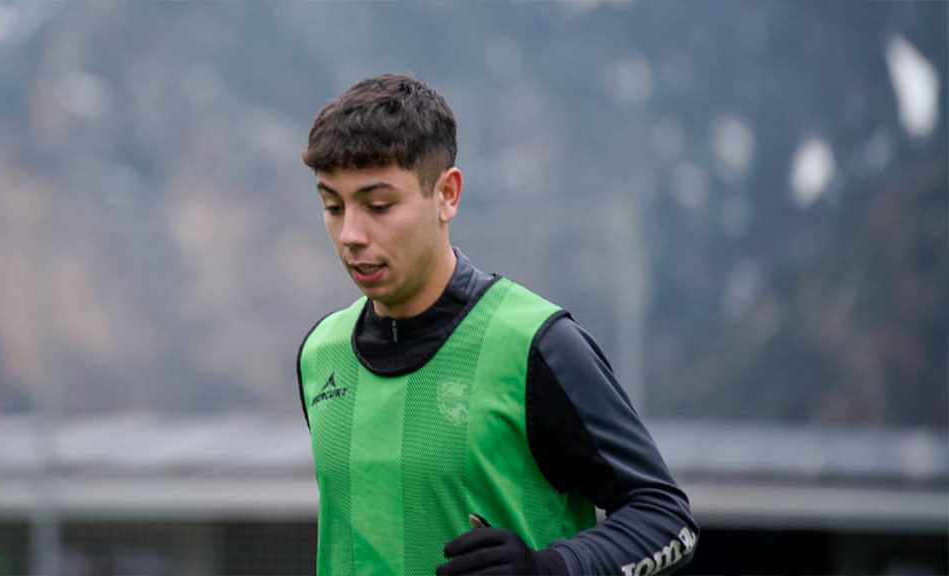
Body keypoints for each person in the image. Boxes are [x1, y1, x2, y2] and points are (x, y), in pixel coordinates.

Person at [297, 73, 697, 576]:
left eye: (379, 206)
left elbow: (665, 519)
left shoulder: (538, 345)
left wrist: (549, 569)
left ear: (447, 194)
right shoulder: (321, 354)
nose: (350, 233)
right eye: (332, 206)